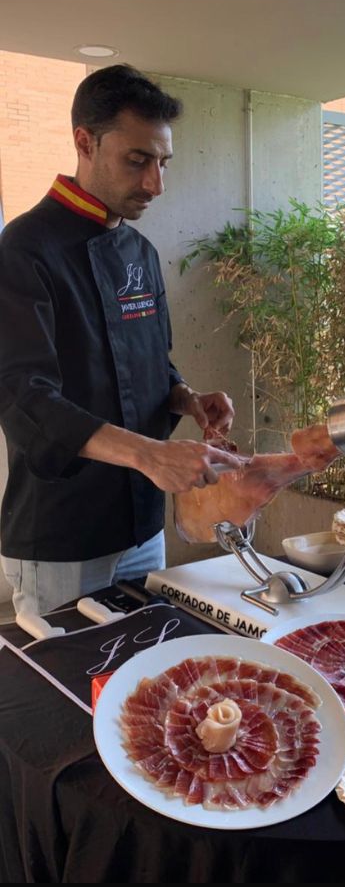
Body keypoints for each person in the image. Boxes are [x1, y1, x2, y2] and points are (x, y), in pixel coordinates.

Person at [0, 64, 241, 616]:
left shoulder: (140, 252)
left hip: (141, 524)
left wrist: (186, 398)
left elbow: (151, 362)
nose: (156, 183)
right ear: (84, 142)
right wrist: (151, 454)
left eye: (162, 163)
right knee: (68, 694)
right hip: (63, 532)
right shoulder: (23, 250)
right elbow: (22, 397)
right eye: (137, 161)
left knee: (141, 678)